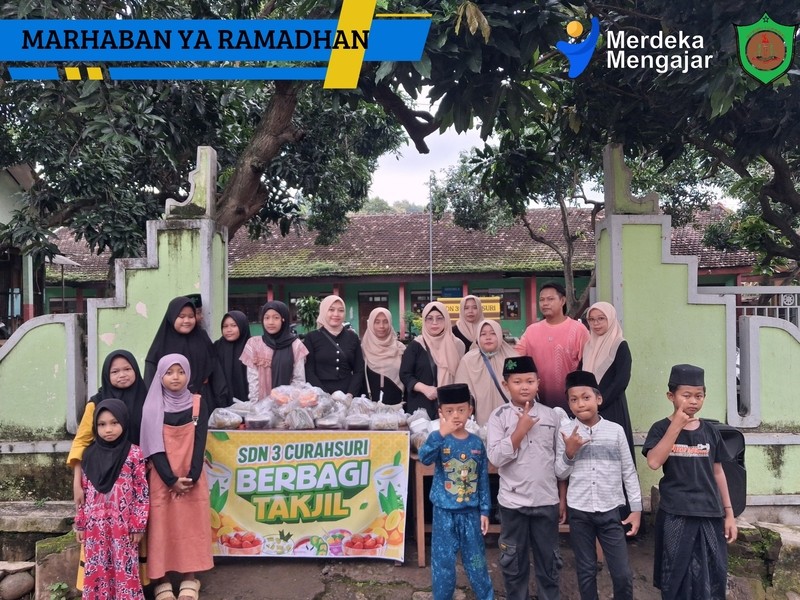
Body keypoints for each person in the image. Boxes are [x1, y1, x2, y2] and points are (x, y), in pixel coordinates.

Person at [643, 364, 738, 600]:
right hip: (675, 512)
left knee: (712, 577)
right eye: (686, 395)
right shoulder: (660, 428)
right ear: (671, 396)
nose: (693, 401)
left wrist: (729, 514)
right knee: (675, 577)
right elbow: (654, 462)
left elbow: (718, 472)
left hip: (709, 512)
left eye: (699, 395)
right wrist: (676, 426)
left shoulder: (710, 431)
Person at [555, 370, 642, 600]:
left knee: (622, 574)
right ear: (569, 404)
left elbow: (628, 471)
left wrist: (636, 509)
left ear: (598, 399)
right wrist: (570, 453)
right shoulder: (565, 432)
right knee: (586, 571)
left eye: (586, 397)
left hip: (610, 511)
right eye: (574, 400)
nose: (580, 404)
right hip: (579, 511)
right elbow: (560, 472)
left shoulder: (615, 431)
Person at [486, 356, 564, 600]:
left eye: (530, 381)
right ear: (505, 384)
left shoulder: (552, 416)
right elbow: (495, 458)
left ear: (538, 382)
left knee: (549, 562)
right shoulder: (498, 417)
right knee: (513, 562)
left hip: (546, 501)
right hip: (513, 504)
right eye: (517, 381)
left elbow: (560, 463)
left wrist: (562, 498)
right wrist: (519, 431)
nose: (524, 387)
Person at [140, 354, 213, 600]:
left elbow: (200, 441)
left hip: (192, 477)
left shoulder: (197, 404)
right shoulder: (152, 406)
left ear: (188, 375)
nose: (175, 377)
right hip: (162, 478)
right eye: (169, 372)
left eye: (181, 372)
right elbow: (153, 447)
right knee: (161, 527)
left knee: (191, 525)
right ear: (160, 376)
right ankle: (162, 579)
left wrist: (192, 476)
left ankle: (190, 577)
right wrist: (171, 480)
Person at [417, 383, 494, 600]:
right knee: (443, 564)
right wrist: (440, 433)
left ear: (470, 410)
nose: (456, 415)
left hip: (470, 514)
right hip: (444, 513)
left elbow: (482, 478)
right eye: (449, 411)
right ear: (440, 413)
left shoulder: (477, 443)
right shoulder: (439, 440)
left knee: (477, 562)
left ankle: (486, 596)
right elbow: (424, 458)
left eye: (461, 409)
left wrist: (485, 510)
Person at [75, 398, 149, 600]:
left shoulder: (134, 453)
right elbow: (84, 494)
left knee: (124, 568)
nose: (108, 429)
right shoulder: (89, 455)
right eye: (101, 424)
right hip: (95, 528)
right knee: (97, 569)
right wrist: (80, 523)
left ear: (124, 422)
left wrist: (138, 525)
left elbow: (141, 492)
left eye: (114, 423)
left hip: (123, 527)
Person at [68, 350, 149, 506]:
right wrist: (76, 483)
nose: (122, 375)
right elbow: (81, 442)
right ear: (106, 375)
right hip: (106, 476)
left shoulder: (149, 400)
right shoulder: (96, 404)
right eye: (115, 371)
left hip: (143, 472)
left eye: (127, 369)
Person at [515, 282, 589, 412]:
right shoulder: (532, 330)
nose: (545, 303)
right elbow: (514, 358)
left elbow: (589, 365)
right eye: (542, 300)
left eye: (550, 299)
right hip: (538, 403)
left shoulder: (578, 330)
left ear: (563, 301)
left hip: (572, 402)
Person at [144, 296, 228, 409]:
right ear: (172, 317)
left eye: (191, 316)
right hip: (171, 405)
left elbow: (215, 370)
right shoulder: (161, 344)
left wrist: (222, 402)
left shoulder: (202, 338)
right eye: (181, 316)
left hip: (203, 401)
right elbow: (151, 380)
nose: (187, 321)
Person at [581, 302, 635, 462]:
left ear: (610, 319)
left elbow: (621, 380)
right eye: (591, 319)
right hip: (589, 408)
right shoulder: (588, 346)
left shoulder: (620, 345)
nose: (596, 323)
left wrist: (600, 402)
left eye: (601, 318)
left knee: (615, 454)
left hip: (612, 408)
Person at [400, 301, 466, 419]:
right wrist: (425, 389)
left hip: (451, 405)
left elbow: (463, 375)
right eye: (429, 318)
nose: (434, 323)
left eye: (439, 318)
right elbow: (405, 374)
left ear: (446, 320)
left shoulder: (458, 345)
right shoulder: (416, 345)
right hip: (422, 408)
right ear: (424, 321)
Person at [240, 301, 308, 401]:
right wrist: (256, 405)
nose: (270, 322)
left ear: (283, 319)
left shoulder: (296, 345)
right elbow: (253, 381)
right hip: (260, 405)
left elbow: (299, 380)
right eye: (266, 318)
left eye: (276, 317)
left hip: (287, 405)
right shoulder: (254, 344)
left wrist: (286, 402)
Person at [455, 319, 517, 426]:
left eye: (493, 333)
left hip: (511, 417)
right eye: (483, 334)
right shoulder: (468, 360)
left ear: (500, 335)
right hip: (481, 417)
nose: (488, 337)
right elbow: (461, 390)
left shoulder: (513, 358)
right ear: (478, 338)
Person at [303, 295, 364, 395]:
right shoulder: (312, 338)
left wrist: (350, 394)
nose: (336, 314)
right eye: (331, 310)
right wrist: (324, 396)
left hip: (347, 396)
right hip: (320, 396)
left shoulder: (352, 337)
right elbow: (309, 371)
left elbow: (359, 370)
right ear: (324, 311)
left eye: (341, 310)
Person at [360, 307, 405, 405]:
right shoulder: (362, 349)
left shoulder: (400, 349)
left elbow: (408, 376)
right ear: (371, 324)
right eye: (377, 322)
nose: (381, 326)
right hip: (368, 407)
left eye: (385, 322)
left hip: (396, 406)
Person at [213, 310, 251, 404]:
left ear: (242, 326)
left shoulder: (251, 347)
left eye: (233, 326)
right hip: (222, 401)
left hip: (249, 400)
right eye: (225, 326)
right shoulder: (217, 347)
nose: (229, 330)